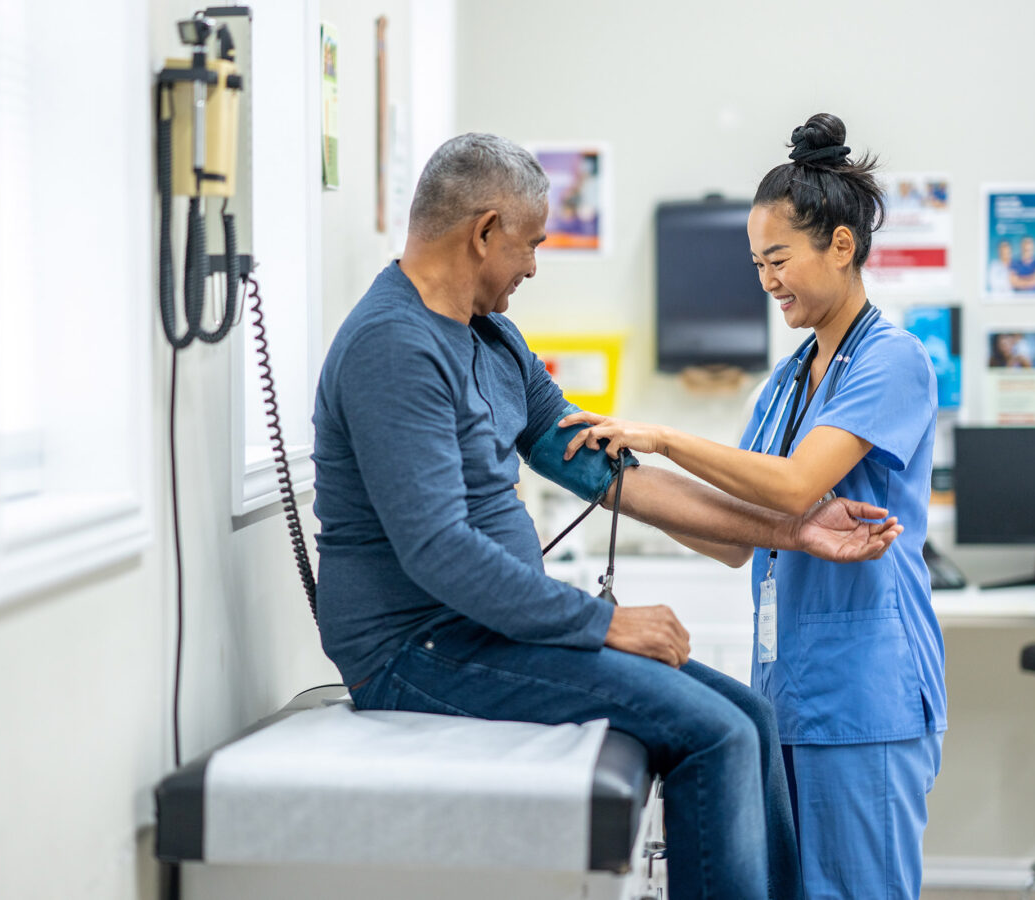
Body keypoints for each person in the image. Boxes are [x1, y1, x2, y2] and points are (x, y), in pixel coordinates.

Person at [312, 133, 903, 900]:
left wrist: (791, 529)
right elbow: (438, 552)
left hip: (488, 630)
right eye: (528, 245)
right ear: (483, 231)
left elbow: (610, 473)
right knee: (714, 736)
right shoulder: (393, 346)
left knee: (751, 716)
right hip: (415, 650)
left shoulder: (490, 337)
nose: (531, 266)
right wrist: (605, 624)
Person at [562, 114, 946, 899]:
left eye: (779, 259)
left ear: (841, 246)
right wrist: (621, 483)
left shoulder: (893, 361)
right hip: (792, 688)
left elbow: (797, 487)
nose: (766, 280)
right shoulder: (789, 378)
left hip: (863, 689)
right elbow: (737, 538)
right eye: (757, 263)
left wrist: (665, 437)